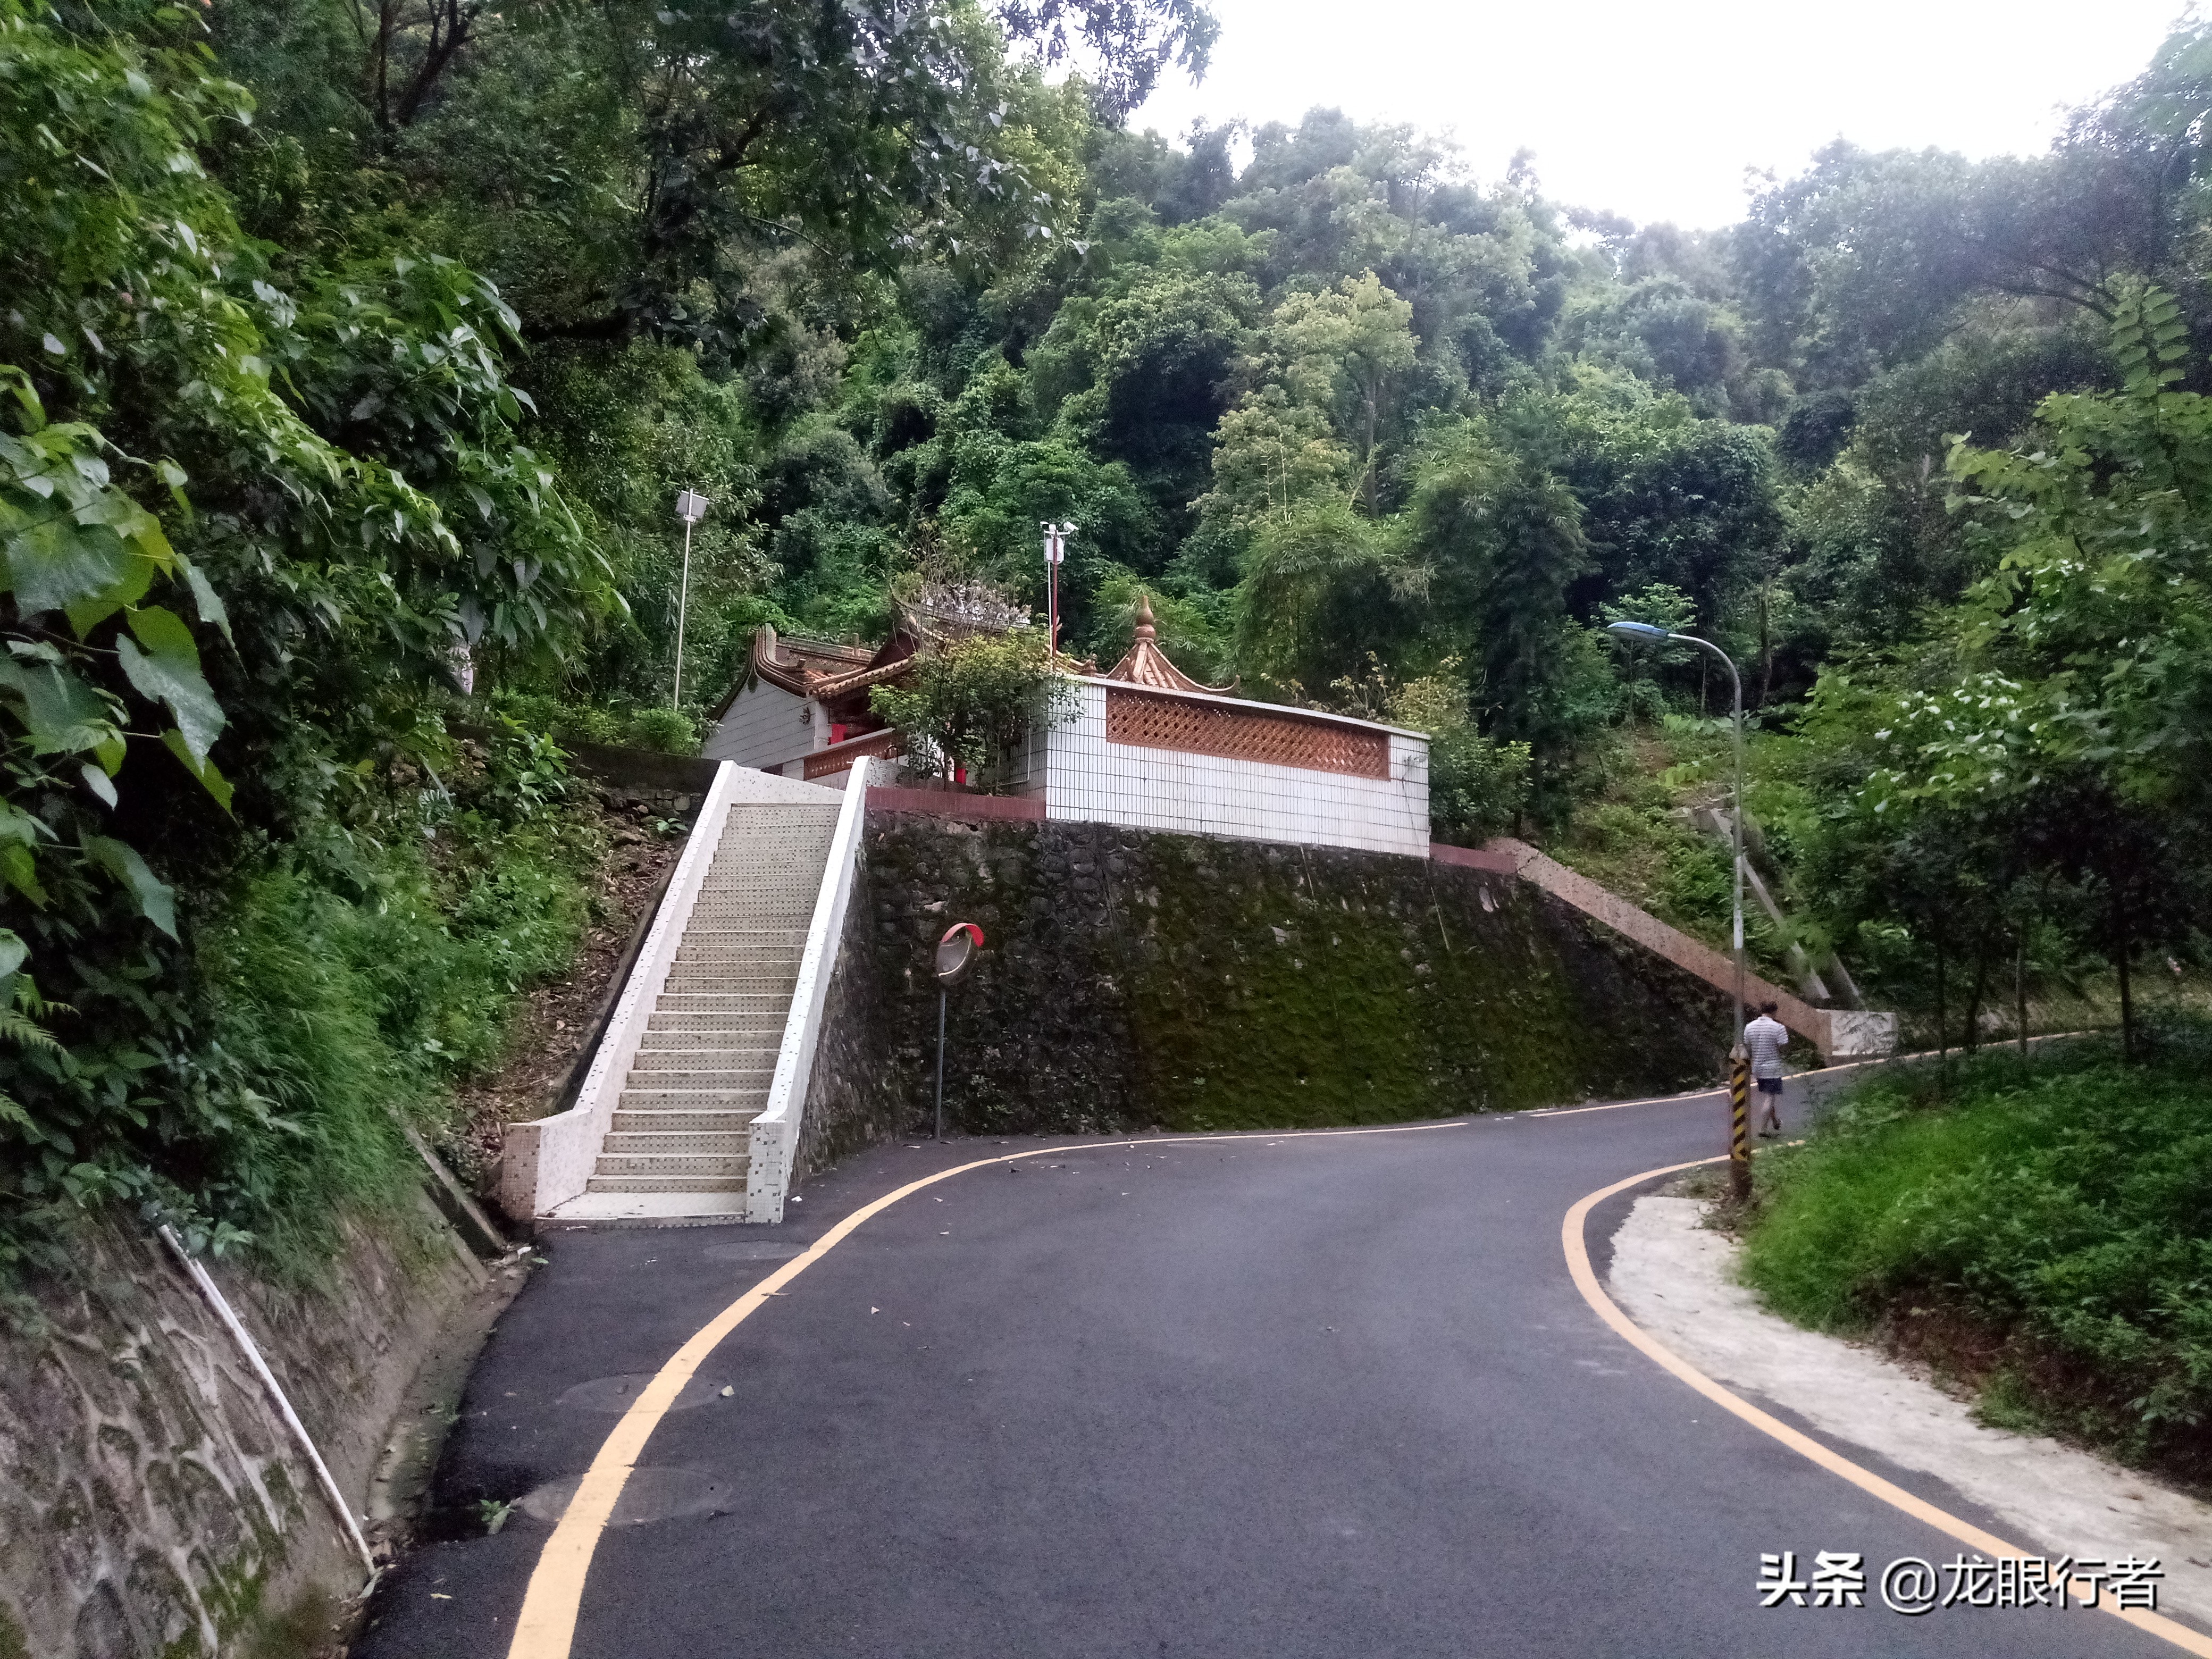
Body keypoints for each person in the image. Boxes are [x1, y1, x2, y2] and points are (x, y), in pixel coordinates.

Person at [1744, 1001, 1790, 1136]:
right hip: (1772, 1067)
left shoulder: (1749, 1027)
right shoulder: (1778, 1027)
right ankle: (1763, 1129)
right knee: (1770, 1097)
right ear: (1774, 1012)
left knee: (1768, 1095)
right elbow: (1784, 1047)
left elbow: (1747, 1046)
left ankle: (1775, 1122)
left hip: (1757, 1067)